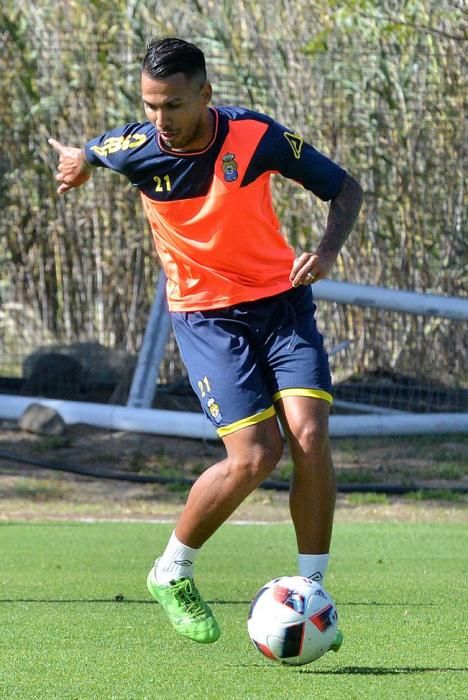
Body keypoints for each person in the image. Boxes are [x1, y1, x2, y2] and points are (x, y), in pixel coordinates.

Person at [49, 37, 363, 647]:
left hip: (280, 303)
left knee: (310, 433)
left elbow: (345, 189)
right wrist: (78, 164)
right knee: (254, 456)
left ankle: (313, 589)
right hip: (205, 317)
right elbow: (94, 151)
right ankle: (171, 570)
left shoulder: (255, 137)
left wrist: (326, 251)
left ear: (205, 95)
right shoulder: (137, 146)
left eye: (171, 106)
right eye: (149, 105)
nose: (159, 120)